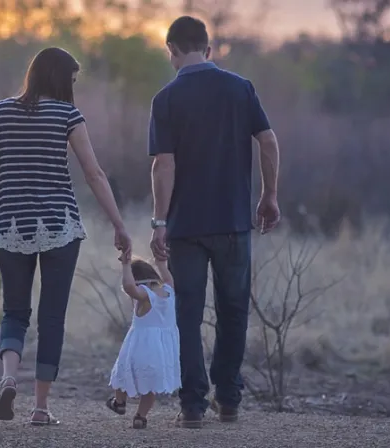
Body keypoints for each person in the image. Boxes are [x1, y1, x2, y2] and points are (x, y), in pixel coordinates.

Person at [0, 47, 132, 425]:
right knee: (52, 318)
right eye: (72, 80)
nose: (73, 88)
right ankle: (41, 408)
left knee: (14, 311)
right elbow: (94, 175)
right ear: (61, 78)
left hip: (10, 224)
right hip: (60, 225)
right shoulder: (68, 115)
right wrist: (119, 224)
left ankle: (9, 377)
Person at [148, 16, 281, 428]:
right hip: (234, 223)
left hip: (186, 226)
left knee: (187, 313)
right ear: (208, 49)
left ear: (170, 50)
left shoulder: (166, 98)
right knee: (233, 310)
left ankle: (192, 406)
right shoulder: (240, 88)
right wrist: (269, 195)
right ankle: (228, 399)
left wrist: (159, 221)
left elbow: (163, 165)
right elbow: (269, 141)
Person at [105, 255, 181, 429]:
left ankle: (119, 402)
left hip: (140, 346)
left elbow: (129, 287)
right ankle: (140, 416)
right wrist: (161, 263)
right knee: (150, 386)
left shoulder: (145, 295)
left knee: (122, 374)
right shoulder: (168, 290)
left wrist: (125, 265)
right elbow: (168, 277)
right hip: (162, 350)